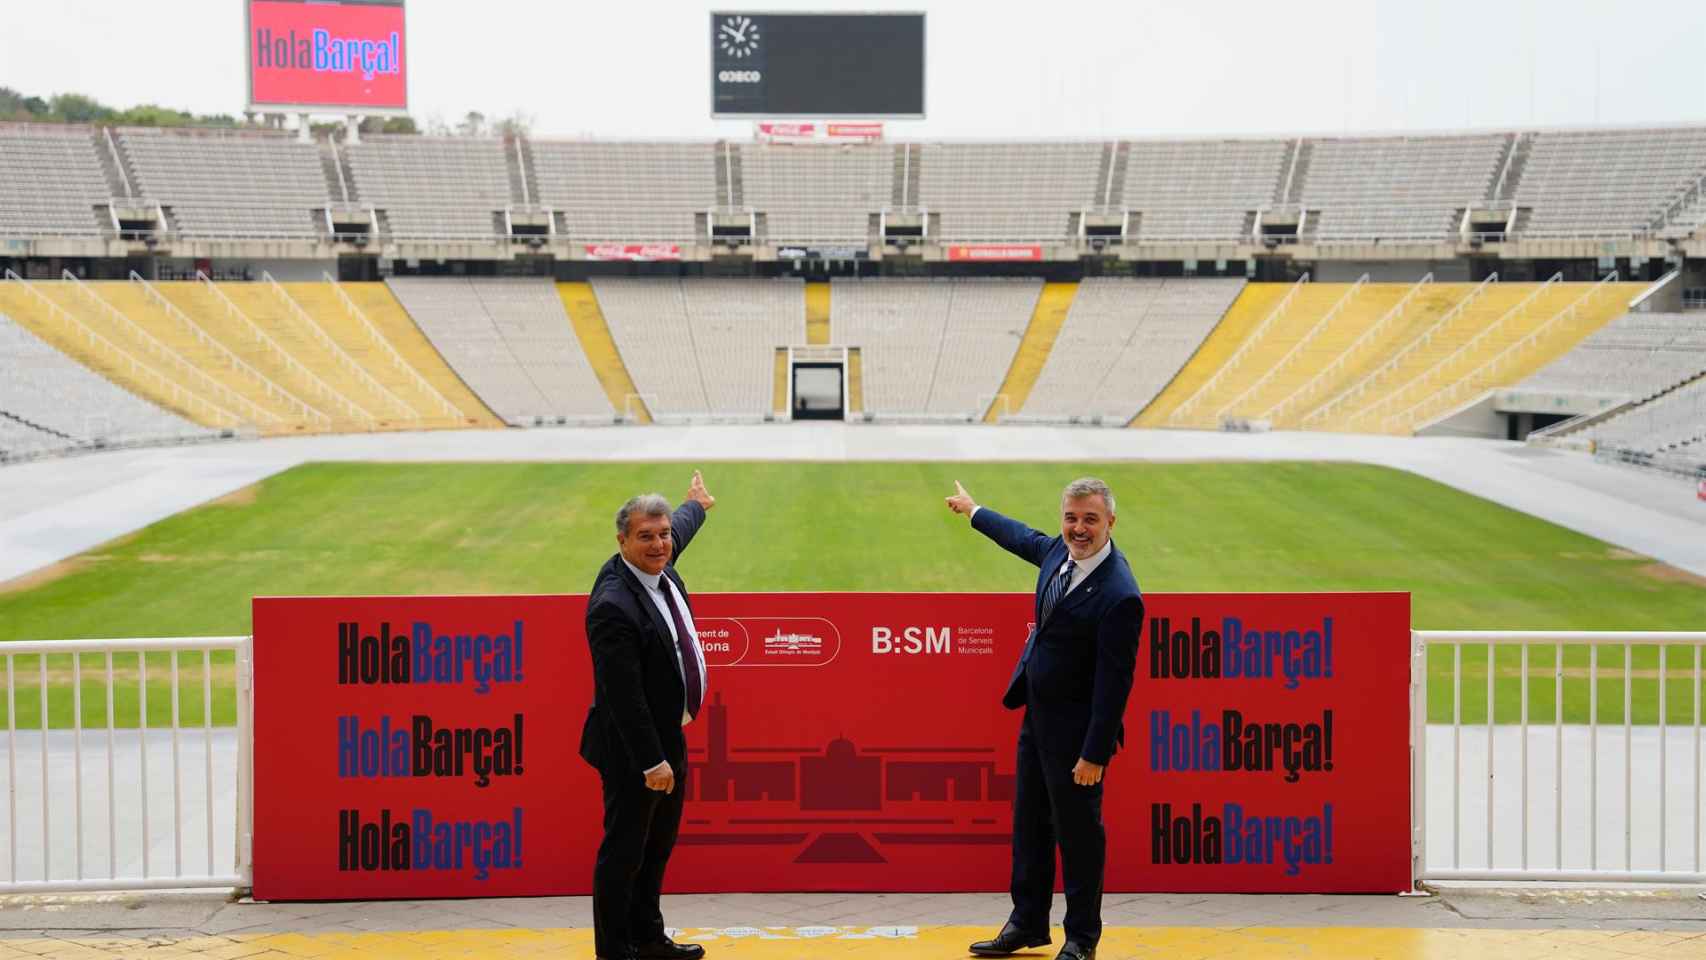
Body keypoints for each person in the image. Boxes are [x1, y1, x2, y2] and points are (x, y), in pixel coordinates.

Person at [946, 477, 1142, 960]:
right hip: (1038, 719)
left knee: (1078, 839)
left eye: (1090, 519)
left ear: (1110, 522)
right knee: (1030, 826)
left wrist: (1094, 753)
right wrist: (975, 511)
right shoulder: (1059, 552)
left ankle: (1081, 940)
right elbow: (1023, 539)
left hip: (1077, 738)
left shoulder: (1120, 593)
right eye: (1072, 518)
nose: (1079, 528)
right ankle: (1027, 923)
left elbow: (1115, 685)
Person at [580, 471, 717, 960]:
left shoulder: (656, 563)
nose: (660, 544)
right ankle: (615, 952)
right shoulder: (612, 606)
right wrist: (651, 761)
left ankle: (648, 938)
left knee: (656, 847)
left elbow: (675, 529)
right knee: (624, 853)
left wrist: (695, 506)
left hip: (666, 736)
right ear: (622, 541)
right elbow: (623, 696)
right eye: (646, 537)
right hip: (634, 748)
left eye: (662, 535)